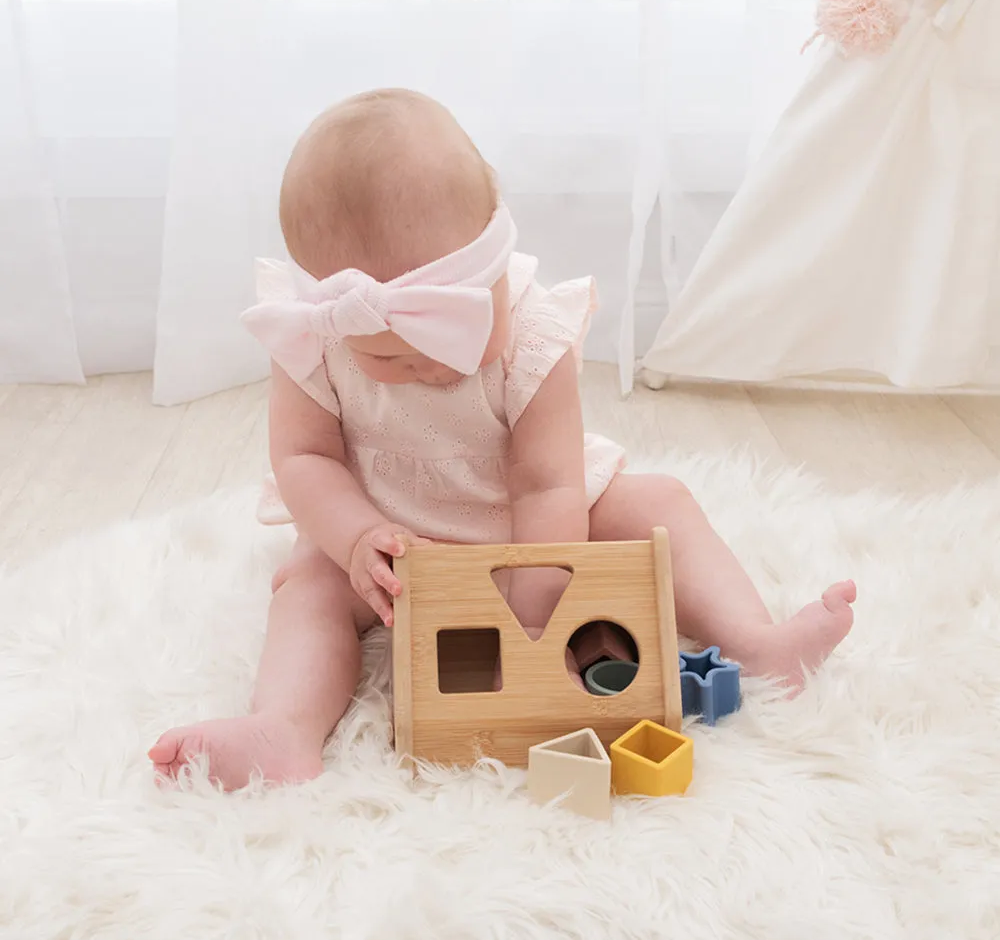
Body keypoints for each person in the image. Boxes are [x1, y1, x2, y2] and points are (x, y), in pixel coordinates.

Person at [149, 89, 855, 790]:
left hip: (537, 516)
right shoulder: (314, 336)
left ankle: (759, 648)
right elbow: (304, 458)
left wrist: (528, 622)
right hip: (393, 532)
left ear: (495, 262)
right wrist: (358, 537)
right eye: (392, 359)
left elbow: (547, 483)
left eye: (450, 335)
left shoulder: (534, 333)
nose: (431, 367)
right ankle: (286, 727)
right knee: (308, 584)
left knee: (661, 502)